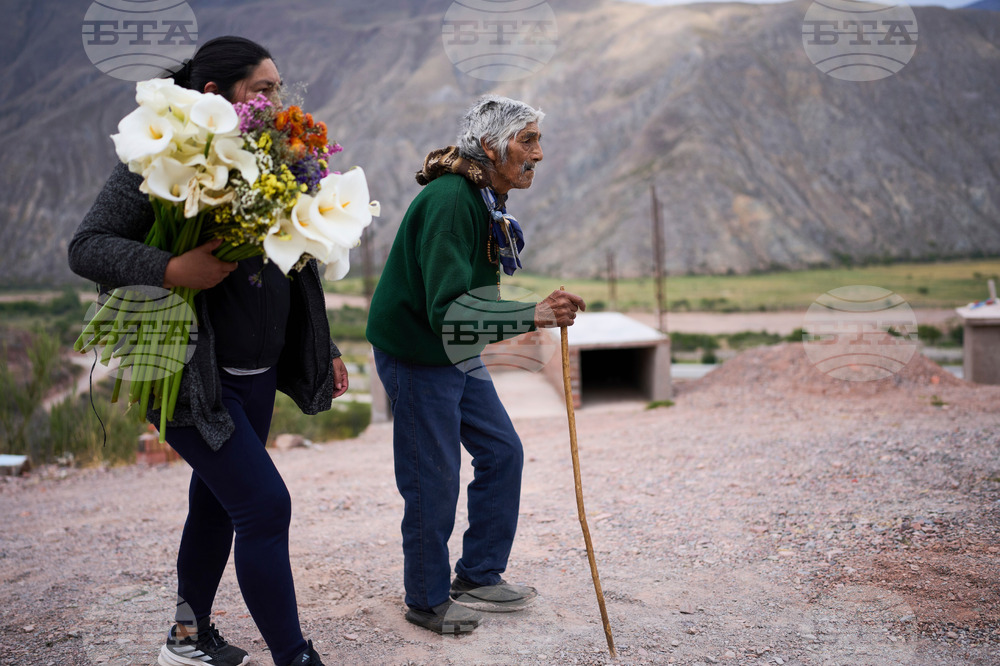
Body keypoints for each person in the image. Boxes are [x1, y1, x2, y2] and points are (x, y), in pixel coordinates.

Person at [68, 36, 341, 666]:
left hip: (256, 373)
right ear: (216, 96)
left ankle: (186, 642)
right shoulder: (162, 157)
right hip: (186, 377)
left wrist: (320, 349)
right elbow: (86, 246)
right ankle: (294, 657)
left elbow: (299, 264)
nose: (275, 102)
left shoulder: (275, 157)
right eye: (263, 90)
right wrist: (172, 267)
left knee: (218, 504)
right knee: (266, 506)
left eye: (279, 89)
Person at [366, 95, 585, 635]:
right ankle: (426, 598)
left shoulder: (482, 196)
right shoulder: (449, 202)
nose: (538, 154)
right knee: (432, 478)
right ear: (490, 146)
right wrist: (532, 314)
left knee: (502, 452)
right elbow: (447, 312)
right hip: (420, 354)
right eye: (527, 141)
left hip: (452, 351)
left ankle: (479, 574)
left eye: (538, 140)